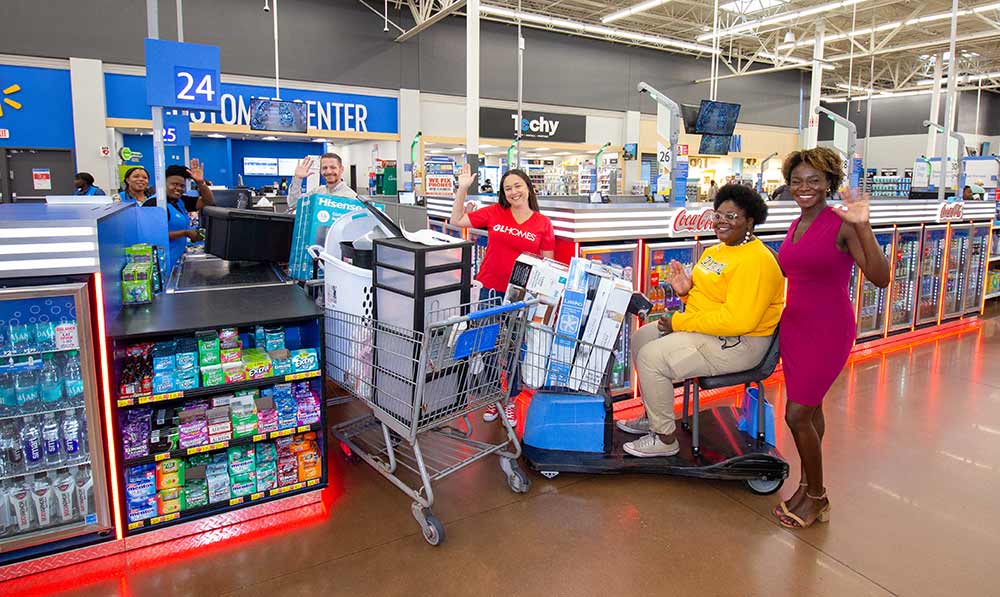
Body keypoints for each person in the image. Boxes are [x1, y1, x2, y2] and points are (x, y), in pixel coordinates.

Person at [617, 184, 784, 457]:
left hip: (740, 344)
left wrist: (679, 322)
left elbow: (736, 321)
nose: (722, 222)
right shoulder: (716, 251)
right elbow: (709, 301)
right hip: (711, 333)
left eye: (732, 216)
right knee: (641, 338)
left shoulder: (757, 262)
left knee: (651, 357)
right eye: (718, 215)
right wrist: (685, 292)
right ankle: (654, 417)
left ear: (750, 220)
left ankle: (665, 439)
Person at [774, 148, 889, 529]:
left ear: (828, 184)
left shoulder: (841, 223)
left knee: (796, 414)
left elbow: (881, 277)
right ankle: (807, 485)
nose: (804, 188)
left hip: (828, 329)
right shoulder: (796, 223)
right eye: (797, 181)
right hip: (795, 326)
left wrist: (864, 226)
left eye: (813, 181)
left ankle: (819, 498)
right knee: (812, 410)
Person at [450, 164, 555, 426]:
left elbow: (549, 264)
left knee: (516, 348)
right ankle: (494, 397)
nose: (513, 191)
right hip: (492, 289)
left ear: (529, 188)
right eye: (507, 188)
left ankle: (510, 400)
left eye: (517, 186)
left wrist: (542, 296)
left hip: (521, 294)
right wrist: (462, 189)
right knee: (488, 345)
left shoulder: (542, 223)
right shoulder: (495, 212)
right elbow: (457, 221)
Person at [163, 160, 215, 272]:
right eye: (174, 184)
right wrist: (185, 233)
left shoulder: (179, 201)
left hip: (176, 261)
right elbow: (153, 236)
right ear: (163, 183)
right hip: (164, 264)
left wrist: (200, 183)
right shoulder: (155, 204)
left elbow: (208, 201)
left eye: (182, 186)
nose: (179, 188)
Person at [288, 153, 356, 214]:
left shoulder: (351, 197)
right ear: (320, 170)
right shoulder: (317, 192)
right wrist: (298, 179)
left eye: (333, 167)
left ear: (341, 169)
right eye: (324, 168)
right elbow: (294, 204)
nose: (328, 171)